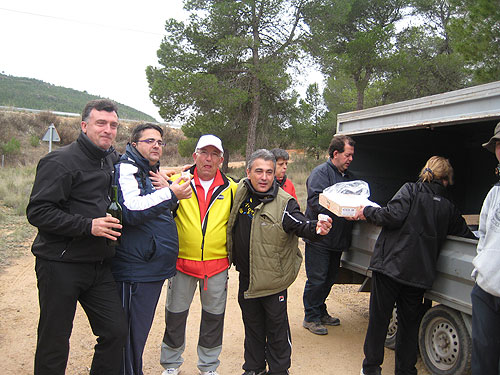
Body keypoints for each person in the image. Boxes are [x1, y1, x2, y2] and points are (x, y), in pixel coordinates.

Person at [26, 99, 128, 375]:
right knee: (55, 340)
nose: (108, 130)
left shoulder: (110, 159)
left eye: (113, 125)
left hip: (99, 266)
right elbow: (38, 212)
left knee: (116, 332)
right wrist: (88, 226)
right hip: (60, 265)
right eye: (101, 123)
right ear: (84, 126)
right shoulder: (59, 161)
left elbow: (134, 171)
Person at [354, 156, 474, 375]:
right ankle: (406, 370)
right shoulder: (449, 208)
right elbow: (467, 236)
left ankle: (371, 369)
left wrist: (367, 211)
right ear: (446, 180)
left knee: (379, 322)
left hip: (389, 267)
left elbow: (392, 216)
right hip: (417, 276)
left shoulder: (410, 190)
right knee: (409, 327)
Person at [227, 149, 332, 375]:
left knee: (277, 331)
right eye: (259, 171)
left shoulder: (285, 202)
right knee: (253, 328)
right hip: (248, 278)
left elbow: (301, 223)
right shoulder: (240, 193)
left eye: (269, 172)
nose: (264, 177)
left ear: (275, 174)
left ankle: (279, 370)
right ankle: (253, 369)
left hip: (273, 283)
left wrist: (316, 228)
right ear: (248, 172)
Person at [111, 123, 192, 375]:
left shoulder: (148, 171)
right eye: (149, 141)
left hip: (150, 267)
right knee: (128, 334)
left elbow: (159, 213)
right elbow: (131, 210)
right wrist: (171, 193)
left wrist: (168, 193)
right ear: (134, 145)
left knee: (138, 333)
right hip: (135, 269)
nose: (156, 145)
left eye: (159, 141)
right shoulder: (127, 169)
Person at [160, 134, 237, 375]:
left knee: (213, 319)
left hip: (216, 267)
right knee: (175, 316)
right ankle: (171, 364)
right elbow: (147, 174)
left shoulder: (232, 188)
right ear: (194, 156)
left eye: (215, 154)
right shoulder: (177, 181)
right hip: (181, 264)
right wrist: (165, 172)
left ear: (221, 160)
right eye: (204, 152)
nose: (208, 159)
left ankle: (209, 366)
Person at [302, 134, 355, 335]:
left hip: (338, 239)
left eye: (352, 156)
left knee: (330, 277)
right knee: (317, 278)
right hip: (320, 238)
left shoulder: (349, 178)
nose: (351, 159)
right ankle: (311, 317)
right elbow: (315, 201)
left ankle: (320, 310)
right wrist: (341, 208)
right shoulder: (320, 173)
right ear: (336, 153)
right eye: (348, 155)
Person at [471, 122, 500, 374]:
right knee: (483, 358)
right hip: (485, 289)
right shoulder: (494, 193)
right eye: (498, 145)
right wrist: (481, 270)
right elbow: (483, 234)